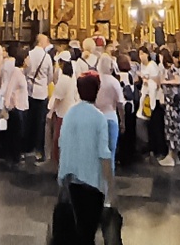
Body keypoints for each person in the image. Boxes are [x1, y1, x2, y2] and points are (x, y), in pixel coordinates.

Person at [56, 73, 116, 245]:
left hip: (69, 182)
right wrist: (110, 189)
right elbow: (104, 155)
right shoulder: (99, 118)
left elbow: (62, 145)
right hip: (91, 185)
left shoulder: (69, 114)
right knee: (87, 234)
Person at [25, 33, 53, 161]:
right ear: (41, 42)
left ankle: (28, 147)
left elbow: (25, 71)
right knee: (40, 122)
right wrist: (43, 83)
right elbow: (50, 76)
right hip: (41, 93)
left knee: (29, 120)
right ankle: (38, 149)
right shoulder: (47, 58)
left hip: (30, 91)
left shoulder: (29, 55)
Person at [0, 45, 29, 168]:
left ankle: (14, 156)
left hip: (21, 106)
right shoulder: (16, 72)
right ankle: (13, 157)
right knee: (15, 133)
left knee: (17, 133)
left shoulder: (21, 72)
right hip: (16, 107)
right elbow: (10, 88)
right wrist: (7, 105)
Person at [48, 52, 78, 166]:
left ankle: (59, 163)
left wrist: (50, 112)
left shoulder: (64, 79)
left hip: (62, 113)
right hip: (69, 111)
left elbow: (58, 98)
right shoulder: (72, 78)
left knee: (57, 139)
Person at [95, 55, 125, 166]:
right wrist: (123, 121)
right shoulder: (114, 82)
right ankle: (109, 178)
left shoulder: (96, 80)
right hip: (111, 117)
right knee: (110, 152)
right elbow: (120, 104)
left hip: (97, 118)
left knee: (97, 151)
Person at [158, 48, 180, 166]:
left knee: (172, 129)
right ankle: (174, 156)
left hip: (172, 104)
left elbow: (178, 81)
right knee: (172, 129)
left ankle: (171, 156)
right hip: (170, 104)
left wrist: (164, 82)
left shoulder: (171, 69)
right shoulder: (167, 69)